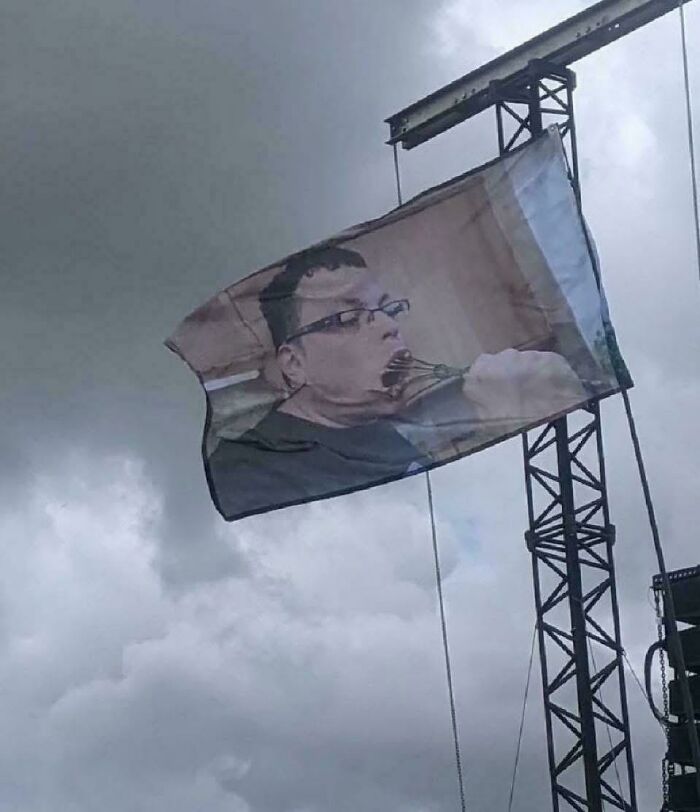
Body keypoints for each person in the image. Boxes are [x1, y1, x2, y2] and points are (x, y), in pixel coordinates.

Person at [207, 245, 586, 520]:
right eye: (348, 318)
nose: (390, 327)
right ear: (294, 362)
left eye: (388, 310)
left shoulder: (392, 431)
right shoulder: (255, 471)